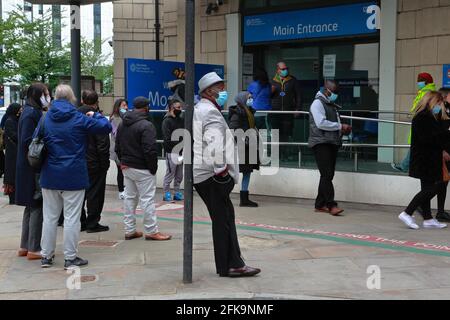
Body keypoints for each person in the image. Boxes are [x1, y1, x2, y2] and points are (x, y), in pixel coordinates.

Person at [193, 72, 261, 277]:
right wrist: (222, 172)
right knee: (224, 221)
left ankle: (231, 263)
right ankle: (232, 265)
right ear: (208, 92)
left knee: (224, 219)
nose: (224, 92)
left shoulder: (202, 108)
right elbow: (214, 144)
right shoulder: (210, 112)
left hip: (205, 174)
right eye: (220, 88)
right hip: (212, 175)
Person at [38, 84, 112, 269]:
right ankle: (70, 258)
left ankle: (46, 256)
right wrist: (94, 114)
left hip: (50, 174)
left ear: (54, 97)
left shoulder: (46, 118)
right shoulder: (79, 118)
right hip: (73, 174)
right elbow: (106, 127)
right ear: (72, 98)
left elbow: (34, 140)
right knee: (72, 218)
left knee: (50, 217)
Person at [115, 97, 171, 241]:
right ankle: (152, 231)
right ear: (147, 108)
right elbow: (150, 150)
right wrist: (153, 168)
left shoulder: (122, 123)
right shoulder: (146, 125)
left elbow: (117, 146)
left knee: (129, 198)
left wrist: (123, 161)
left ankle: (129, 230)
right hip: (142, 168)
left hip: (127, 167)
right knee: (147, 200)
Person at [398, 91, 450, 230]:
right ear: (432, 101)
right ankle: (407, 212)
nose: (440, 106)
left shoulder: (432, 116)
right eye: (439, 103)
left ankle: (427, 219)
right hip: (424, 159)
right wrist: (446, 134)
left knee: (427, 187)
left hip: (430, 158)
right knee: (435, 187)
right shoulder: (422, 117)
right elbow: (428, 139)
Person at [308, 80, 352, 216]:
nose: (336, 95)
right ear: (327, 91)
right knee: (327, 174)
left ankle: (319, 204)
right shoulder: (317, 104)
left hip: (331, 141)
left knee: (327, 174)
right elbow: (321, 123)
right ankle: (331, 204)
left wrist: (342, 130)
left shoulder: (330, 104)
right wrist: (340, 126)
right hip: (320, 142)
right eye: (335, 92)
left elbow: (334, 122)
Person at [15, 83, 48, 260]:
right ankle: (34, 248)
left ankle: (25, 245)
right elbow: (30, 142)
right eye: (46, 93)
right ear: (38, 95)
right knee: (37, 204)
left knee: (30, 205)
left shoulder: (29, 111)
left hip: (27, 165)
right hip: (32, 166)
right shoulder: (32, 113)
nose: (47, 97)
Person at [78, 90, 110, 233]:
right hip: (95, 163)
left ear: (82, 100)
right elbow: (102, 143)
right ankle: (92, 222)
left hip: (78, 161)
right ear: (96, 102)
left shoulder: (75, 115)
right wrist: (105, 164)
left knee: (79, 193)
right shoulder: (97, 118)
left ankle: (80, 221)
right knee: (95, 194)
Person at [392, 73, 436, 172]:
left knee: (417, 145)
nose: (418, 82)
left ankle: (405, 166)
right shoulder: (424, 92)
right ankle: (406, 166)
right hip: (420, 121)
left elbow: (430, 108)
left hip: (423, 123)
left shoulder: (427, 93)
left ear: (425, 81)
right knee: (416, 145)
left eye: (420, 80)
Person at [228, 91, 260, 207]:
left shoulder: (249, 112)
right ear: (242, 100)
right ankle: (226, 194)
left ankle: (244, 197)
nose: (251, 100)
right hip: (242, 148)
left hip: (249, 147)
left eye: (251, 98)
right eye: (249, 98)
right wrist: (244, 140)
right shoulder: (238, 114)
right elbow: (233, 130)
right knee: (234, 172)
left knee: (247, 171)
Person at [270, 62, 302, 160]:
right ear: (278, 70)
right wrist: (270, 91)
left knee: (286, 134)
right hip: (275, 112)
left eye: (286, 68)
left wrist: (298, 109)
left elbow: (299, 96)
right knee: (275, 134)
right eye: (283, 69)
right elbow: (267, 96)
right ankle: (276, 155)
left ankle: (285, 155)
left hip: (288, 112)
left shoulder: (293, 80)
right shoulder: (272, 81)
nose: (285, 70)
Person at [162, 98, 184, 202]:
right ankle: (166, 193)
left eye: (180, 107)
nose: (180, 109)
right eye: (178, 107)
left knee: (179, 175)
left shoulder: (180, 120)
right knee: (170, 173)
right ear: (171, 108)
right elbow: (167, 137)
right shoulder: (166, 121)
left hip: (181, 151)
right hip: (172, 151)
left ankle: (177, 192)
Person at [434, 87, 450, 222]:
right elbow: (436, 133)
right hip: (443, 151)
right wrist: (442, 151)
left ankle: (440, 211)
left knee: (444, 182)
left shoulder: (448, 109)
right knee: (441, 182)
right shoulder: (438, 110)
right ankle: (422, 204)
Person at [3, 103, 22, 205]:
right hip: (12, 154)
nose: (20, 111)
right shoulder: (10, 121)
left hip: (15, 152)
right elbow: (14, 136)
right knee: (11, 175)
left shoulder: (16, 120)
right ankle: (12, 197)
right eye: (19, 109)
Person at [110, 98, 128, 200]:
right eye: (123, 105)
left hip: (124, 147)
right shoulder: (114, 119)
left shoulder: (125, 117)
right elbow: (116, 134)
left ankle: (125, 189)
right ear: (118, 107)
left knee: (125, 170)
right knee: (120, 170)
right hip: (118, 149)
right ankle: (121, 191)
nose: (126, 108)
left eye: (126, 105)